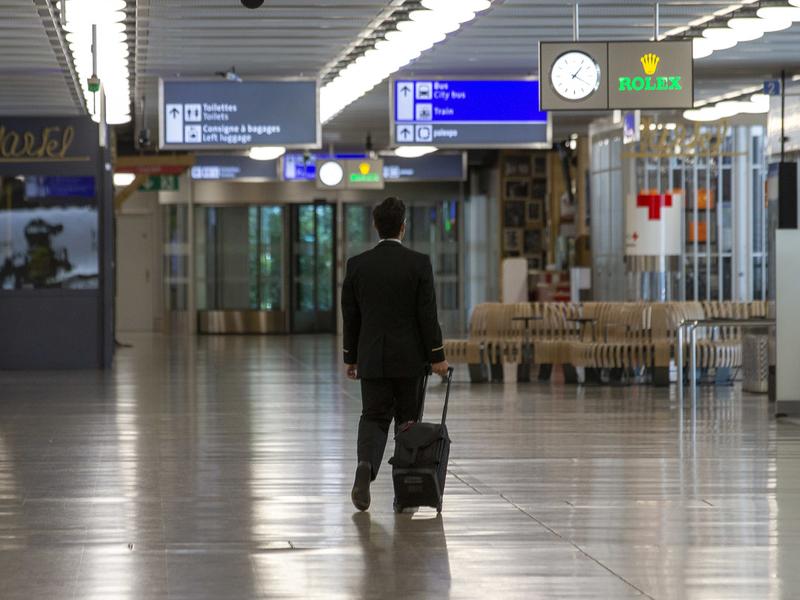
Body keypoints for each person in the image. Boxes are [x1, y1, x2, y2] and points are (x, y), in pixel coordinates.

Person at [341, 197, 449, 512]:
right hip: (410, 361)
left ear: (376, 226)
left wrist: (351, 357)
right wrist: (437, 356)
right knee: (408, 423)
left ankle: (365, 468)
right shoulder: (418, 264)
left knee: (373, 417)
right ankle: (406, 492)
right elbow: (427, 315)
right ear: (403, 227)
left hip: (372, 359)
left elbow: (351, 316)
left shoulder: (358, 265)